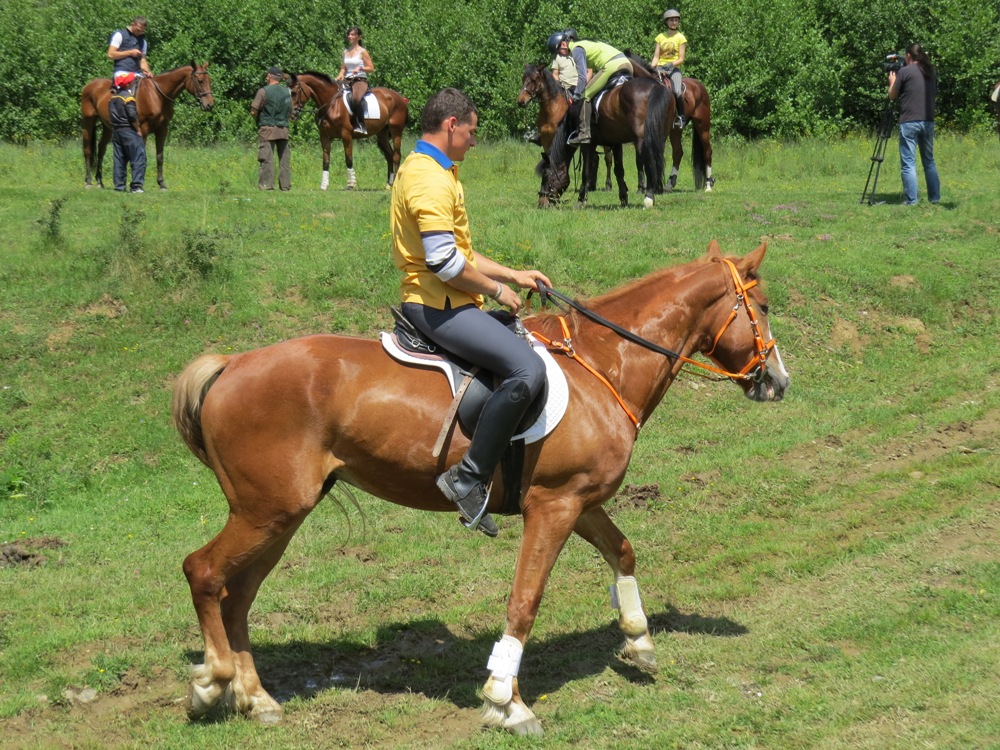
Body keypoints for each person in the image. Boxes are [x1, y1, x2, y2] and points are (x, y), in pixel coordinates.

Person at [390, 88, 552, 537]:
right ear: (450, 126)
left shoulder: (437, 169)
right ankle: (469, 476)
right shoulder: (429, 179)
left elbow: (460, 252)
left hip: (449, 298)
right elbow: (444, 264)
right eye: (471, 131)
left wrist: (514, 274)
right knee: (526, 370)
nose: (474, 141)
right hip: (438, 306)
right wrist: (498, 290)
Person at [888, 43, 940, 206]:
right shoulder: (931, 71)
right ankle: (934, 198)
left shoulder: (904, 72)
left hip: (909, 120)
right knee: (929, 161)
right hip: (927, 120)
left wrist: (892, 81)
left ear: (909, 55)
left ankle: (912, 200)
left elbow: (892, 96)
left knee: (908, 163)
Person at [561, 31, 633, 145]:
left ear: (564, 44)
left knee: (585, 95)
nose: (560, 55)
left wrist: (577, 95)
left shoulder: (576, 49)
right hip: (627, 64)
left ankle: (584, 134)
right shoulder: (586, 44)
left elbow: (582, 76)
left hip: (613, 65)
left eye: (558, 50)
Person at [250, 67, 292, 191]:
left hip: (267, 129)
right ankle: (285, 185)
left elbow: (253, 110)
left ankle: (267, 185)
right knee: (284, 160)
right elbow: (291, 112)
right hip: (283, 129)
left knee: (266, 158)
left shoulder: (263, 91)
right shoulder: (287, 92)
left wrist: (258, 121)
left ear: (269, 76)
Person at [108, 73, 146, 193]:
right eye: (133, 81)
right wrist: (138, 129)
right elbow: (132, 115)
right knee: (139, 157)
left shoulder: (113, 98)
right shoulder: (128, 98)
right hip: (129, 131)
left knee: (119, 159)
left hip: (117, 131)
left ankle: (119, 186)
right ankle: (136, 186)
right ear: (129, 83)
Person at [335, 26, 375, 134]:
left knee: (356, 98)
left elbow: (371, 68)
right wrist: (339, 76)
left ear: (358, 37)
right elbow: (344, 68)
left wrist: (360, 68)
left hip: (359, 80)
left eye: (352, 35)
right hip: (347, 80)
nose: (350, 36)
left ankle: (361, 125)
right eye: (349, 34)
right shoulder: (345, 52)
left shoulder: (362, 52)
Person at [651, 8, 687, 128]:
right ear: (666, 22)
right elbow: (656, 56)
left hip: (673, 69)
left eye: (676, 20)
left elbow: (681, 58)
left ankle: (681, 116)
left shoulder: (681, 38)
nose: (674, 22)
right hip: (659, 68)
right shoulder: (660, 37)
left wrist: (671, 64)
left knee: (676, 91)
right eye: (672, 20)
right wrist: (650, 69)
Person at [107, 17, 151, 97]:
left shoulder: (143, 42)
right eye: (138, 30)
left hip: (137, 74)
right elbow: (110, 54)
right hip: (122, 72)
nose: (140, 32)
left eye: (142, 31)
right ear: (132, 24)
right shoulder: (120, 35)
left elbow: (143, 60)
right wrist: (130, 53)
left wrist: (147, 72)